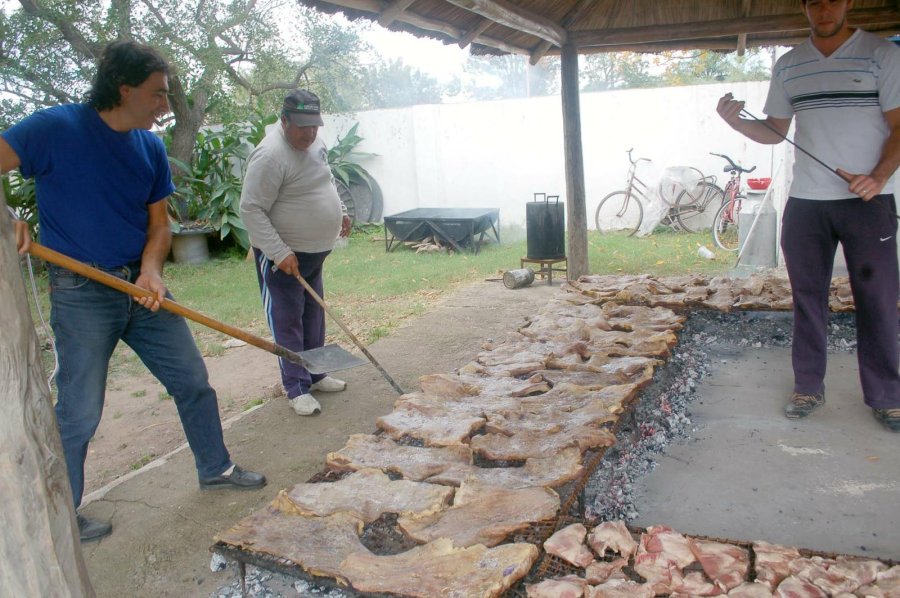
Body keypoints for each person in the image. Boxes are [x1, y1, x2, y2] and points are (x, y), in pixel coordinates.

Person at [0, 40, 266, 543]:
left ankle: (216, 468)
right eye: (157, 94)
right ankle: (62, 516)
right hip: (81, 290)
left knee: (193, 380)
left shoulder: (149, 147)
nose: (165, 105)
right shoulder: (53, 128)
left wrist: (151, 272)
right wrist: (10, 218)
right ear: (123, 89)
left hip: (140, 289)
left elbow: (159, 225)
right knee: (79, 411)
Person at [716, 0, 900, 432]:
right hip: (807, 203)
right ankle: (808, 386)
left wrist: (878, 177)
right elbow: (775, 131)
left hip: (869, 202)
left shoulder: (882, 55)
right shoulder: (789, 65)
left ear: (848, 3)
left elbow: (899, 126)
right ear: (804, 8)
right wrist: (737, 123)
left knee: (877, 301)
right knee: (807, 297)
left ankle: (888, 395)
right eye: (814, 1)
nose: (824, 8)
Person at [240, 90, 352, 417]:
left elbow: (324, 180)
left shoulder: (316, 144)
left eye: (314, 126)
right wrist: (277, 252)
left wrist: (340, 211)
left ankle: (315, 374)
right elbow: (251, 209)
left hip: (315, 254)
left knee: (313, 316)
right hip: (284, 257)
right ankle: (296, 387)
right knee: (288, 322)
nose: (310, 133)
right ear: (284, 120)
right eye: (302, 127)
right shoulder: (269, 156)